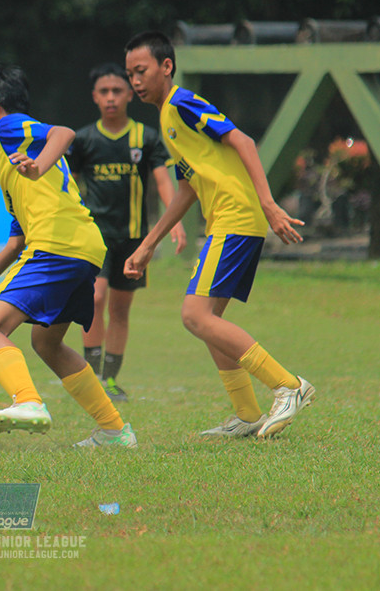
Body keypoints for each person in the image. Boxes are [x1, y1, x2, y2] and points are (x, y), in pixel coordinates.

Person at [122, 31, 315, 438]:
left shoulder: (182, 102)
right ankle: (247, 415)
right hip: (225, 220)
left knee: (194, 315)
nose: (135, 81)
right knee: (210, 319)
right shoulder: (166, 118)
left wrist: (267, 203)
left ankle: (288, 385)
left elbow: (241, 140)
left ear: (166, 67)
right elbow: (189, 187)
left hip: (236, 217)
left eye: (141, 71)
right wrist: (148, 244)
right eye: (130, 74)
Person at [0, 63, 136, 448]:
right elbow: (15, 243)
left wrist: (38, 166)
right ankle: (114, 430)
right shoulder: (12, 160)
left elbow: (63, 132)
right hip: (84, 247)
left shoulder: (10, 128)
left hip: (58, 245)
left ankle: (27, 401)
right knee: (47, 343)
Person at [66, 62, 187, 402]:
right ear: (94, 97)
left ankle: (109, 380)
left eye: (117, 91)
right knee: (95, 298)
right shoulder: (84, 139)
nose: (110, 97)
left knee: (120, 309)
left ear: (130, 95)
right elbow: (71, 186)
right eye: (104, 92)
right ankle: (90, 374)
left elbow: (163, 179)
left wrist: (174, 219)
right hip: (95, 237)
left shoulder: (145, 138)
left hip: (135, 238)